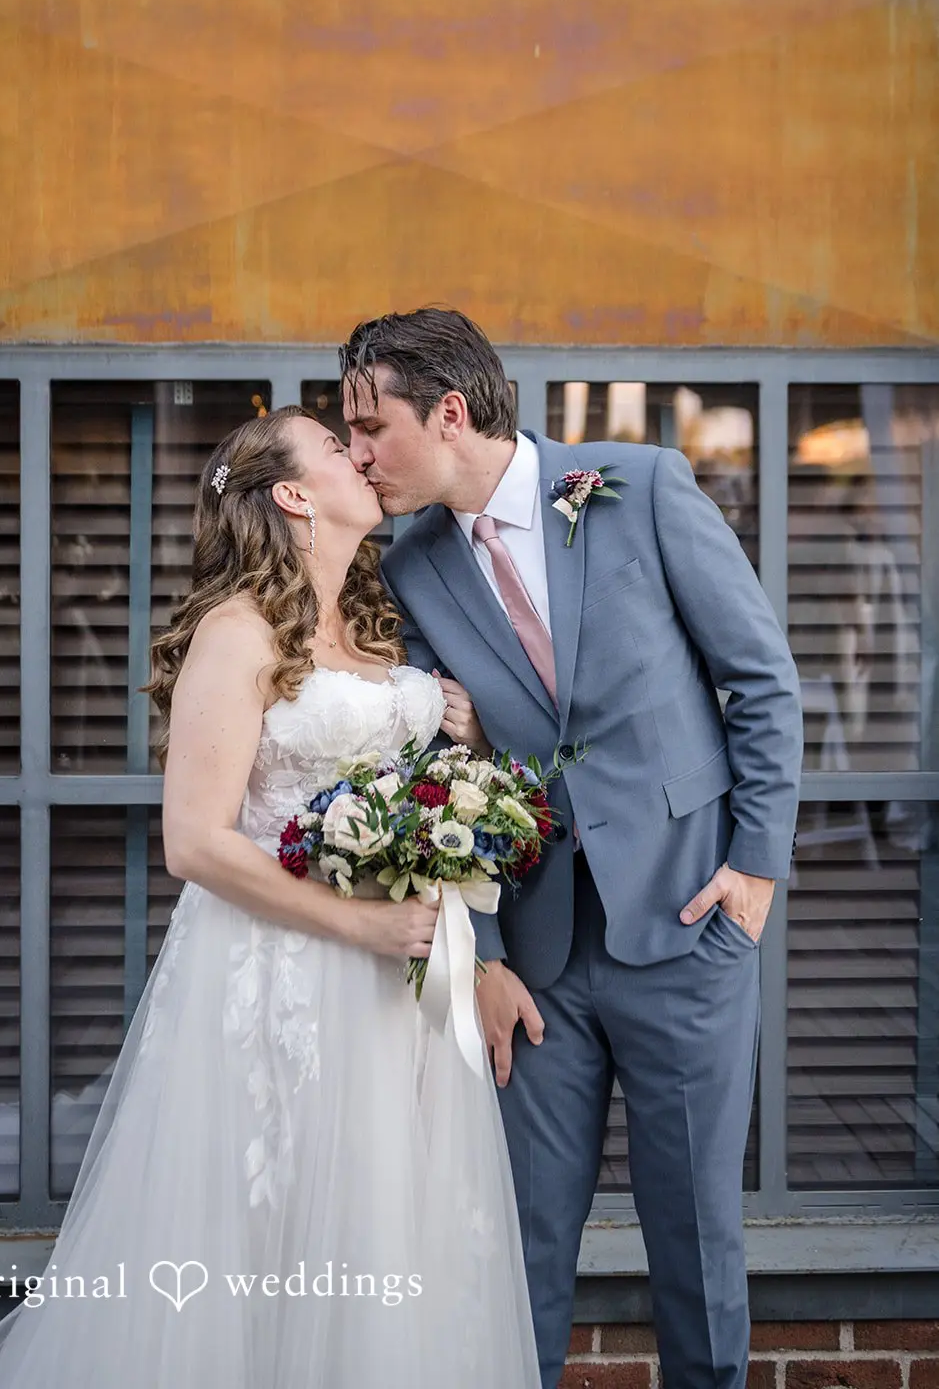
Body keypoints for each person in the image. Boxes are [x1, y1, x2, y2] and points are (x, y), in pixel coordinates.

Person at [0, 406, 541, 1389]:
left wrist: (452, 733)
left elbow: (407, 808)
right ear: (293, 493)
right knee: (268, 1236)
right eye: (337, 446)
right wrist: (366, 923)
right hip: (282, 973)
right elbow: (194, 840)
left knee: (389, 1227)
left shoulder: (376, 624)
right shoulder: (236, 630)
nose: (360, 453)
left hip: (400, 995)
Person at [340, 308, 804, 1389]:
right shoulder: (408, 567)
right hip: (534, 962)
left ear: (447, 412)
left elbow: (759, 680)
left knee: (693, 1240)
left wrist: (754, 870)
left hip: (688, 922)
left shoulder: (636, 486)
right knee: (517, 1248)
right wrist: (487, 953)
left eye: (370, 424)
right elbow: (432, 774)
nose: (356, 451)